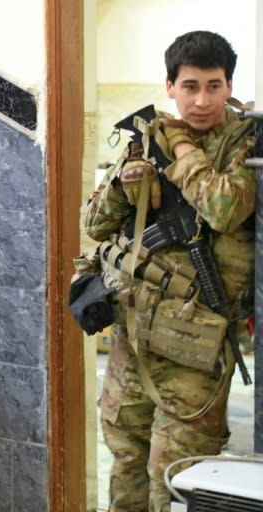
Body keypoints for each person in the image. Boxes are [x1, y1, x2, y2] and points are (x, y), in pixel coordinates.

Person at [83, 31, 255, 511]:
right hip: (133, 335)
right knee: (126, 466)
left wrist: (180, 147)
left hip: (195, 346)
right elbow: (93, 226)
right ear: (170, 86)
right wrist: (123, 184)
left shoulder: (244, 144)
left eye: (214, 86)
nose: (202, 100)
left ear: (229, 85)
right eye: (191, 86)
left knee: (177, 480)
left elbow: (223, 207)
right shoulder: (144, 139)